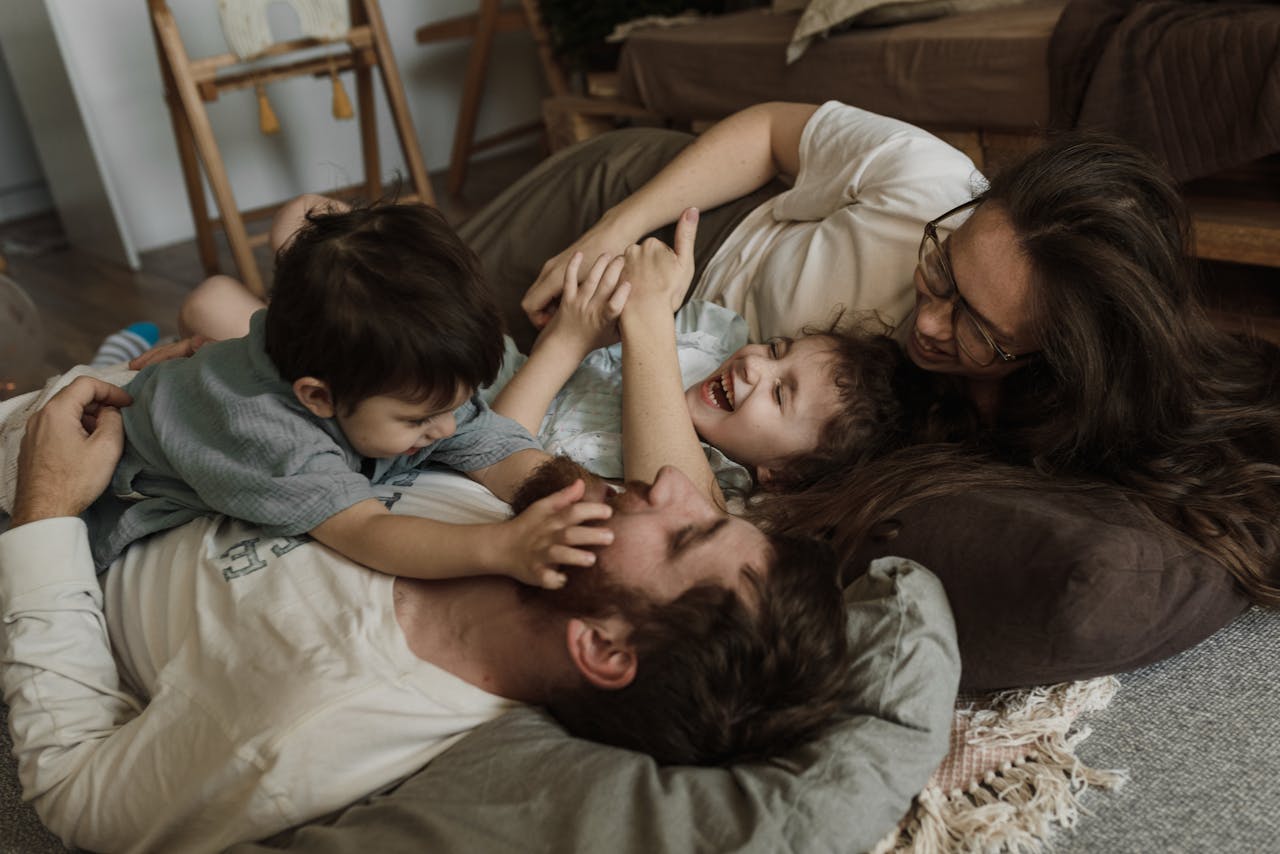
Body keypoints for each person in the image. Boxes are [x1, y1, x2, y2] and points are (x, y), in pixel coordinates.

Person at [458, 100, 1280, 606]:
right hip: (656, 209)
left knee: (428, 365)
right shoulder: (927, 183)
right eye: (941, 268)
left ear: (1048, 359)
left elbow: (689, 506)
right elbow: (771, 131)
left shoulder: (973, 428)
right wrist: (613, 233)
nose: (927, 323)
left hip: (656, 332)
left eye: (977, 332)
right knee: (411, 299)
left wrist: (642, 324)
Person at [0, 376, 854, 853]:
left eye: (686, 533)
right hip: (138, 418)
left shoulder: (311, 726)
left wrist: (46, 509)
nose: (671, 483)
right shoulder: (545, 533)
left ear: (600, 647)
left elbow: (78, 793)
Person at [88, 200, 612, 591]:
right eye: (418, 420)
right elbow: (367, 532)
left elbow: (500, 451)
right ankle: (118, 351)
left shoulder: (402, 379)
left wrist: (586, 500)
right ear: (317, 397)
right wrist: (504, 547)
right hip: (112, 493)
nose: (447, 429)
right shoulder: (267, 430)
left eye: (456, 405)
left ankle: (127, 345)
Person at [487, 210, 912, 505]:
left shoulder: (694, 487)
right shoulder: (710, 338)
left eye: (780, 395)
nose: (754, 366)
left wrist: (568, 340)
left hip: (484, 417)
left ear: (782, 475)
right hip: (499, 360)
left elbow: (493, 452)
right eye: (776, 350)